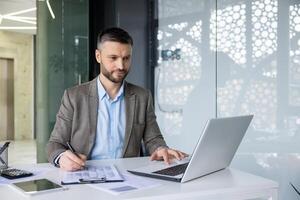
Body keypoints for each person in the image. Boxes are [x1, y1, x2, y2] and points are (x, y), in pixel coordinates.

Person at [47, 27, 186, 171]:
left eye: (126, 58)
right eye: (113, 58)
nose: (121, 66)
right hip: (85, 174)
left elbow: (153, 138)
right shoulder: (74, 96)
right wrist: (61, 158)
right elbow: (55, 143)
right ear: (98, 56)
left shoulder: (142, 96)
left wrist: (161, 148)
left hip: (128, 177)